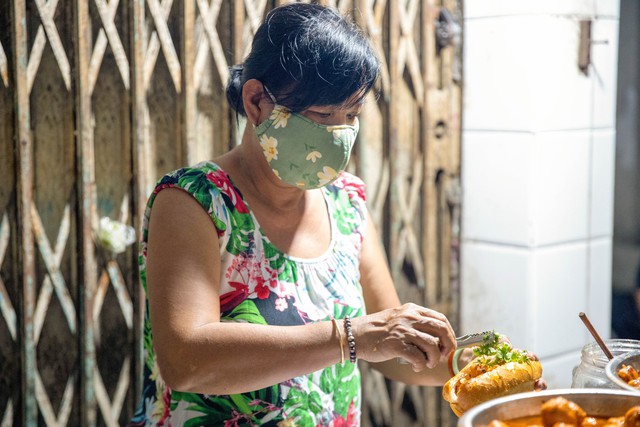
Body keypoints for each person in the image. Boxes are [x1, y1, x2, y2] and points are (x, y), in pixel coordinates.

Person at [127, 4, 492, 426]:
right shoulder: (195, 202)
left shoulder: (347, 203)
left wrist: (479, 370)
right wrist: (349, 337)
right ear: (257, 101)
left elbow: (391, 354)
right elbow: (186, 360)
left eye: (351, 115)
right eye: (322, 115)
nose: (339, 133)